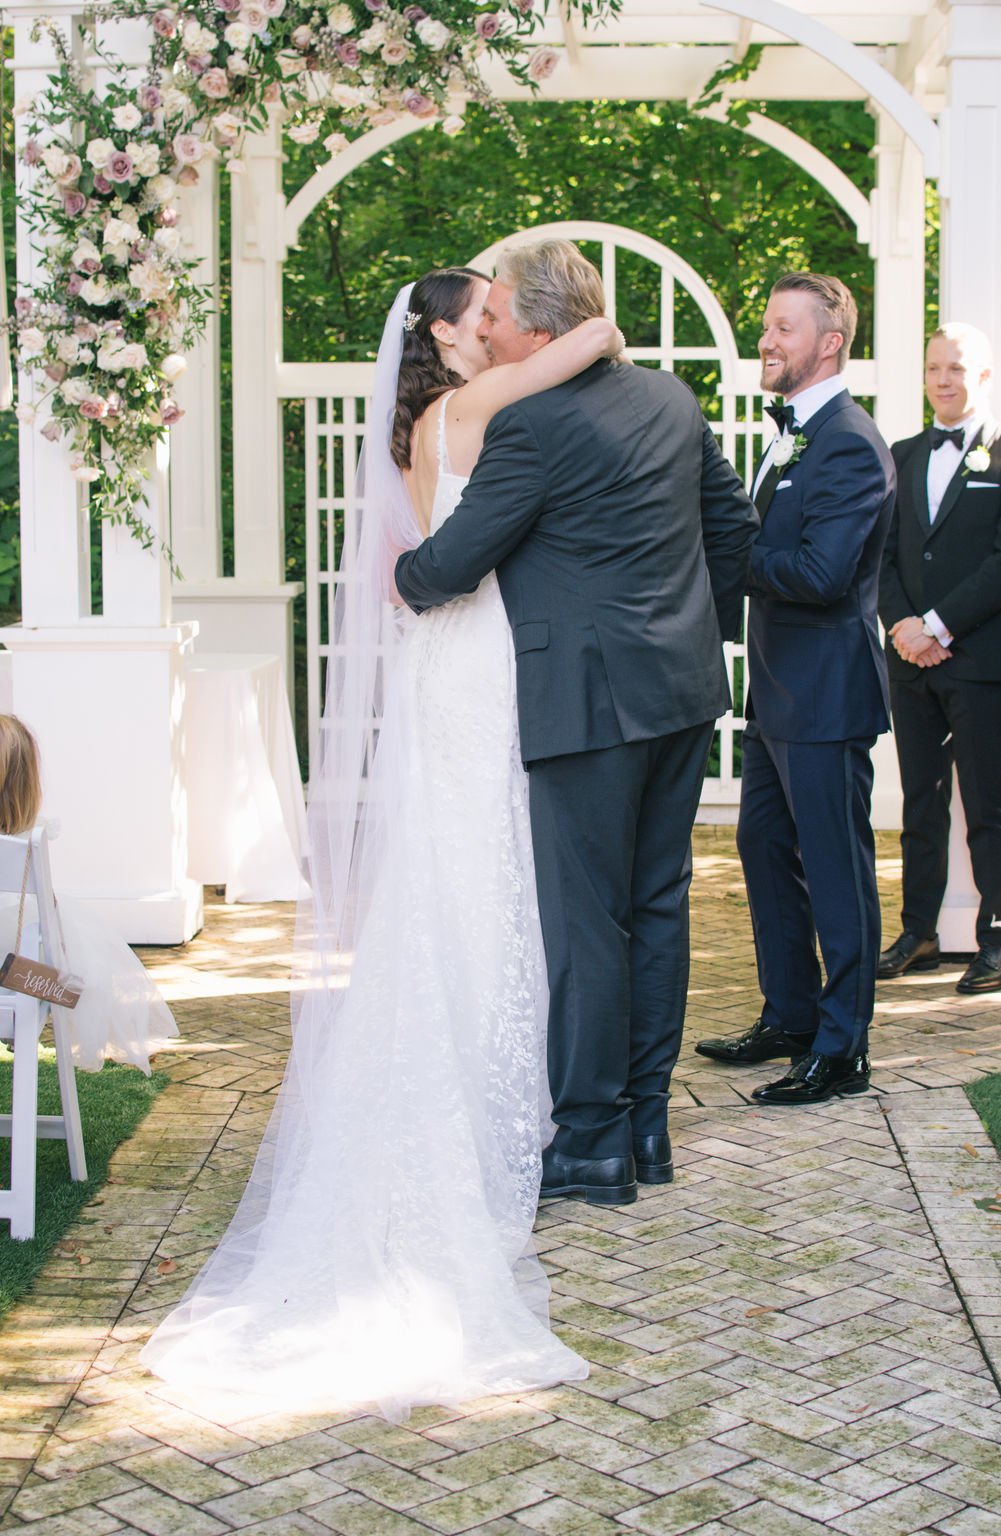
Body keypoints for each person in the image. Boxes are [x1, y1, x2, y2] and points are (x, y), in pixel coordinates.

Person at [142, 268, 626, 1420]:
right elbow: (590, 340)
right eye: (484, 313)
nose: (498, 327)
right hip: (472, 665)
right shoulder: (470, 406)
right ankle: (472, 1105)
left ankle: (466, 1077)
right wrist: (592, 311)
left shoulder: (422, 420)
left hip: (442, 663)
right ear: (451, 335)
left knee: (454, 872)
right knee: (477, 872)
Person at [395, 239, 759, 1205]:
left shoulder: (532, 425)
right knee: (658, 909)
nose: (492, 329)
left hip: (585, 705)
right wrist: (687, 635)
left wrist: (402, 576)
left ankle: (591, 1142)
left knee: (588, 922)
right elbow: (732, 534)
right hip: (681, 694)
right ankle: (648, 1130)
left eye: (503, 316)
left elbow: (457, 561)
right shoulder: (675, 402)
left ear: (544, 329)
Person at [695, 272, 896, 1105]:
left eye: (783, 328)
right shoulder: (797, 434)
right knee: (764, 851)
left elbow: (820, 572)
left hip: (825, 694)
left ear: (830, 342)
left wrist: (734, 557)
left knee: (836, 869)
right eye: (767, 326)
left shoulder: (849, 441)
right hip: (778, 691)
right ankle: (791, 1014)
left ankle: (844, 1047)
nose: (767, 341)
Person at [878, 324, 1001, 994]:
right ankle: (920, 932)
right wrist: (904, 626)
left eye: (957, 368)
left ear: (985, 376)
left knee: (989, 799)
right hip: (910, 661)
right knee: (921, 800)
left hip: (978, 658)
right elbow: (881, 555)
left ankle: (1000, 936)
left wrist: (938, 624)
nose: (944, 379)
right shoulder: (904, 453)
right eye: (935, 367)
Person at [0, 713, 177, 1075]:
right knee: (73, 946)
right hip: (10, 986)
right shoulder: (27, 850)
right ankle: (105, 1036)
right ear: (26, 786)